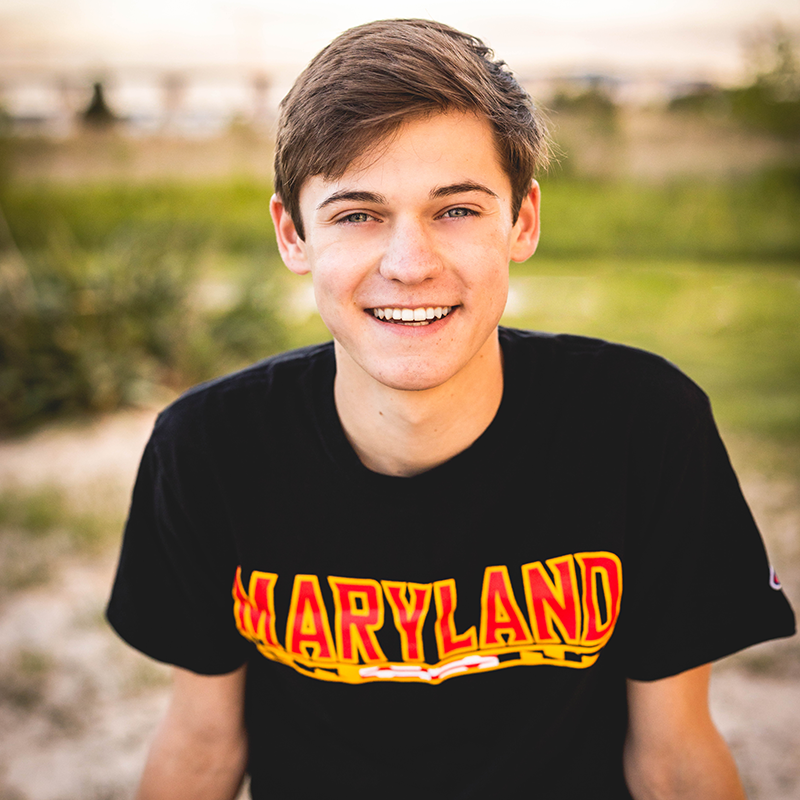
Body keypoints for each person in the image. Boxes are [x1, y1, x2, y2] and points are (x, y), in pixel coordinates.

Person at [107, 18, 796, 800]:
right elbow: (202, 741)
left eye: (457, 210)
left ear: (523, 220)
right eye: (357, 214)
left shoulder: (644, 428)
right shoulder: (210, 450)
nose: (409, 265)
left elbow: (673, 756)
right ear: (292, 235)